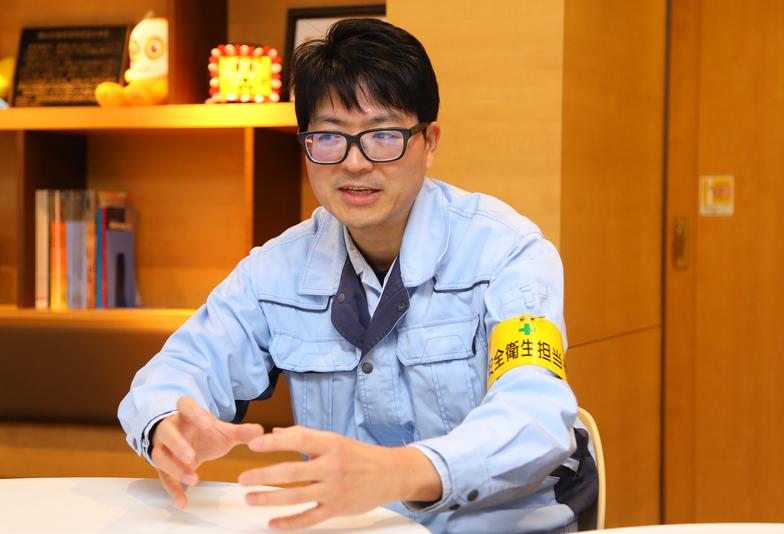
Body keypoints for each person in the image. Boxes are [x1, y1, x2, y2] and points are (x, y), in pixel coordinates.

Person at [118, 18, 597, 533]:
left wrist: (403, 472)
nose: (354, 163)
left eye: (384, 136)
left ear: (430, 141)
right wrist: (169, 424)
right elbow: (176, 370)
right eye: (328, 137)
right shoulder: (276, 270)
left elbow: (535, 411)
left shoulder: (506, 251)